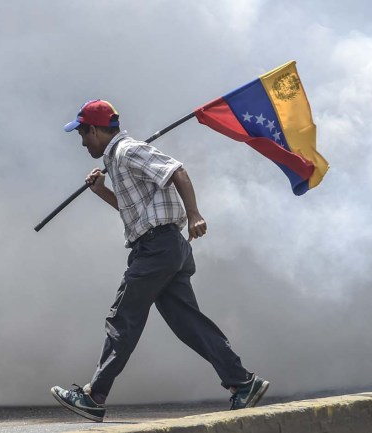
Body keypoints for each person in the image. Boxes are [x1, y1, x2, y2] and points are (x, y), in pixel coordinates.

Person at [50, 99, 269, 422]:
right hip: (165, 247)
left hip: (157, 248)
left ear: (94, 130)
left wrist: (194, 213)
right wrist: (101, 191)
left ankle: (94, 396)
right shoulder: (117, 160)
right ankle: (243, 383)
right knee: (188, 323)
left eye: (82, 134)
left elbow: (176, 170)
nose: (82, 143)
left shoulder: (127, 151)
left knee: (123, 318)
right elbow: (134, 212)